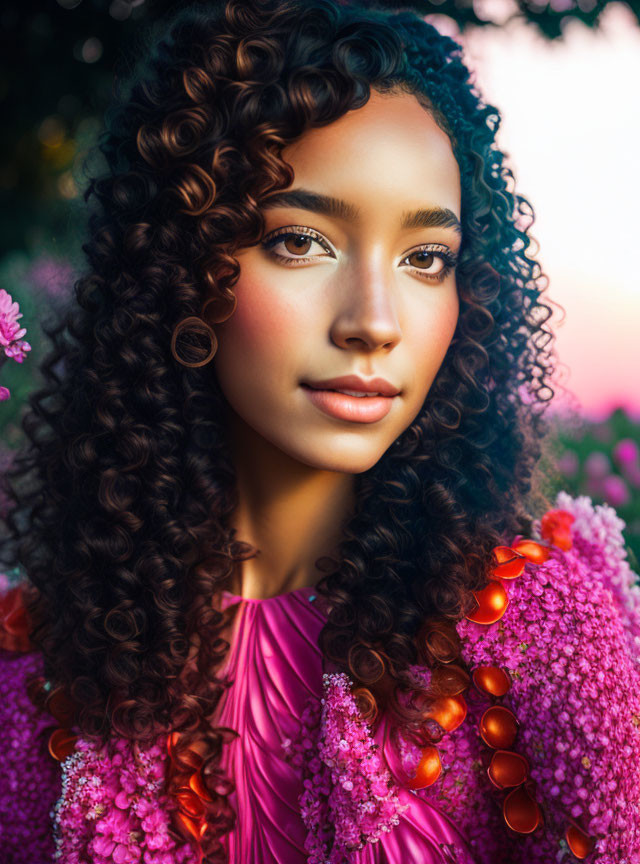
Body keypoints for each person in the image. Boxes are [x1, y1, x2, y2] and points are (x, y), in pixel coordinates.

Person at [1, 0, 638, 862]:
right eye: (302, 242)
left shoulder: (536, 624)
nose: (375, 322)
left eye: (425, 259)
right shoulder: (37, 664)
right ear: (181, 264)